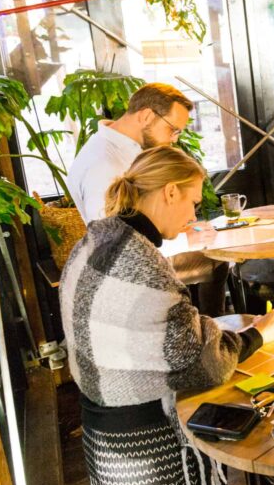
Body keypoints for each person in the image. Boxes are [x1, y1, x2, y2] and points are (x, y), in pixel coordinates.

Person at [60, 146, 274, 485]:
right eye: (193, 203)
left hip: (104, 434)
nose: (192, 217)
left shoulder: (98, 239)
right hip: (148, 447)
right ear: (169, 192)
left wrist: (204, 326)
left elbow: (167, 328)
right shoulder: (142, 265)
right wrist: (257, 334)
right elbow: (205, 363)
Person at [65, 83, 229, 316]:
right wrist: (185, 242)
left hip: (141, 257)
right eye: (172, 129)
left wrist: (183, 228)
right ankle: (211, 333)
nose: (173, 139)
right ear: (146, 116)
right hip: (128, 277)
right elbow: (113, 245)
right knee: (215, 261)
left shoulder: (121, 149)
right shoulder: (103, 163)